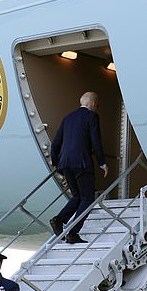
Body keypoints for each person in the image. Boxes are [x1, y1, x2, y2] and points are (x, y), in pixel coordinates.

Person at [49, 91, 109, 244]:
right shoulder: (92, 116)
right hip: (82, 162)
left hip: (66, 163)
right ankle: (73, 231)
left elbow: (56, 143)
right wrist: (102, 162)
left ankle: (59, 219)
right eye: (98, 105)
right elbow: (96, 140)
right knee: (88, 198)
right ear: (94, 104)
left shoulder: (68, 117)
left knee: (77, 196)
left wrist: (57, 163)